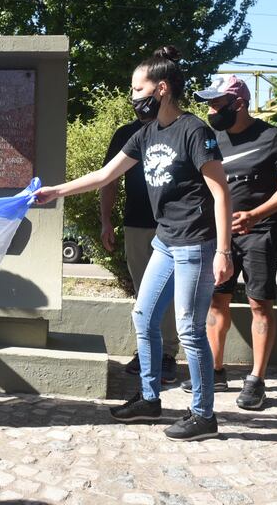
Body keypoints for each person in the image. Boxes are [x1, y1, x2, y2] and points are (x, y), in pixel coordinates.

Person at [35, 46, 233, 441]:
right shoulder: (146, 134)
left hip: (195, 244)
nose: (133, 96)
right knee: (144, 316)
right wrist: (56, 191)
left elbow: (221, 192)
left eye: (137, 88)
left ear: (161, 89)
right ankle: (148, 398)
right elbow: (104, 175)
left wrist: (224, 251)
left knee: (190, 330)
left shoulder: (195, 131)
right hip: (164, 242)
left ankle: (203, 414)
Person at [188, 75, 277, 410]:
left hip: (260, 234)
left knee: (259, 305)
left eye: (217, 104)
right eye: (208, 104)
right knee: (215, 303)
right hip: (220, 236)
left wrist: (254, 215)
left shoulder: (273, 139)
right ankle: (215, 370)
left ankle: (256, 381)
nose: (211, 110)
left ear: (239, 104)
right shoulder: (210, 139)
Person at [100, 99, 179, 383]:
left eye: (143, 94)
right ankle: (147, 350)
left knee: (168, 292)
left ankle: (168, 354)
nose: (138, 101)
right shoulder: (126, 134)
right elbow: (107, 180)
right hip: (135, 224)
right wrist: (105, 220)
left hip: (171, 226)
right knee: (143, 291)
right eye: (133, 96)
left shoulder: (181, 130)